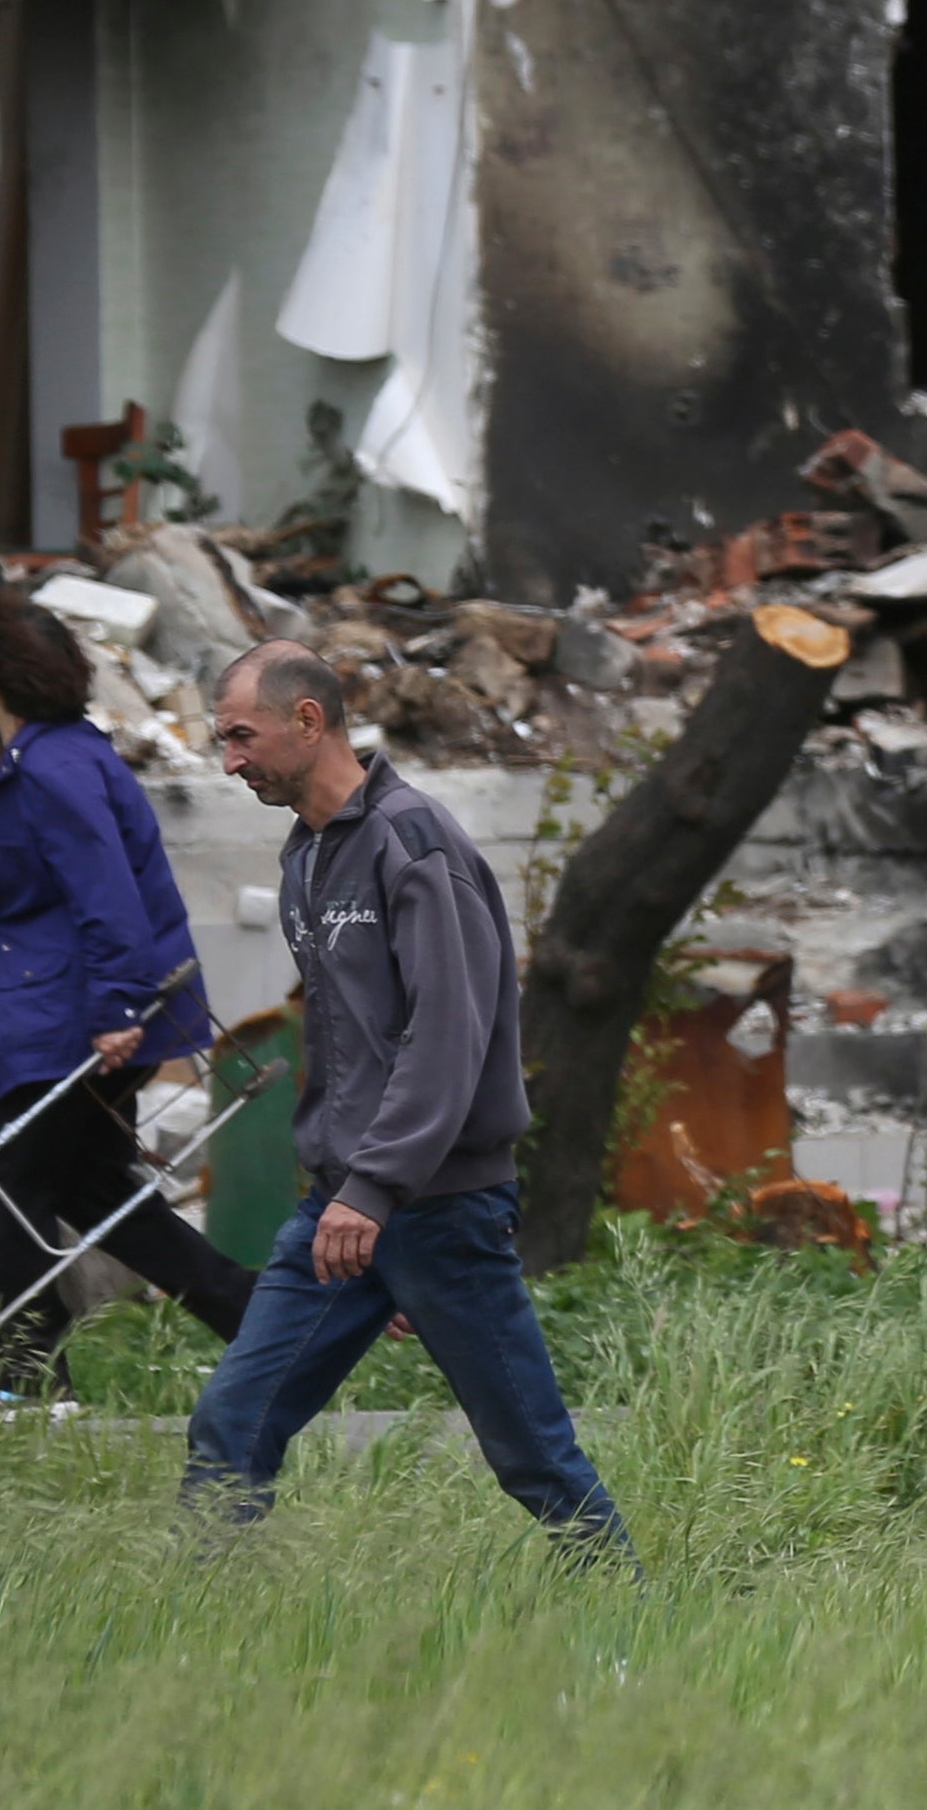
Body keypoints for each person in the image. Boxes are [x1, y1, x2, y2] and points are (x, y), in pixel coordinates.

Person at [182, 639, 630, 1558]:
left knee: (531, 1455)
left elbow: (449, 1033)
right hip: (341, 1213)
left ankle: (633, 1618)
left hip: (437, 1205)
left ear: (308, 719)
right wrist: (352, 1203)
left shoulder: (414, 843)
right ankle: (197, 1631)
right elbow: (349, 1043)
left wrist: (378, 1192)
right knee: (232, 1423)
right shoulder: (306, 856)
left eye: (240, 735)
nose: (228, 761)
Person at [0, 599, 253, 1394]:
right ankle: (254, 1315)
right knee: (84, 1182)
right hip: (69, 1009)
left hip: (76, 1019)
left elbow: (107, 892)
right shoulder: (67, 756)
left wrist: (118, 1008)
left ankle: (30, 1374)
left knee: (2, 1179)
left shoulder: (53, 771)